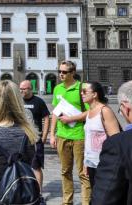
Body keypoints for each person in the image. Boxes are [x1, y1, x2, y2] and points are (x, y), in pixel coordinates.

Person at [58, 81, 121, 191]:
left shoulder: (105, 111)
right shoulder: (90, 112)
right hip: (92, 163)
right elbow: (89, 140)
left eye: (84, 91)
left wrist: (111, 163)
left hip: (104, 164)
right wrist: (87, 162)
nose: (81, 93)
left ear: (95, 94)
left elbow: (116, 140)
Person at [49, 60, 90, 205]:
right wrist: (52, 134)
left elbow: (90, 112)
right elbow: (55, 113)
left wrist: (70, 118)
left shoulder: (81, 88)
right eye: (59, 71)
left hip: (80, 136)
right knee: (65, 171)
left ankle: (86, 202)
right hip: (62, 136)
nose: (61, 74)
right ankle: (67, 202)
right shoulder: (57, 89)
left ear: (73, 73)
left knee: (83, 173)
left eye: (64, 72)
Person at [19, 80, 50, 201]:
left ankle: (39, 193)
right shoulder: (17, 101)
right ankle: (24, 190)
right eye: (20, 89)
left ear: (30, 89)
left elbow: (46, 118)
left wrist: (44, 136)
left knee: (36, 166)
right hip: (20, 139)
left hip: (35, 139)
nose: (21, 91)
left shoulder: (39, 102)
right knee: (21, 166)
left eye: (24, 89)